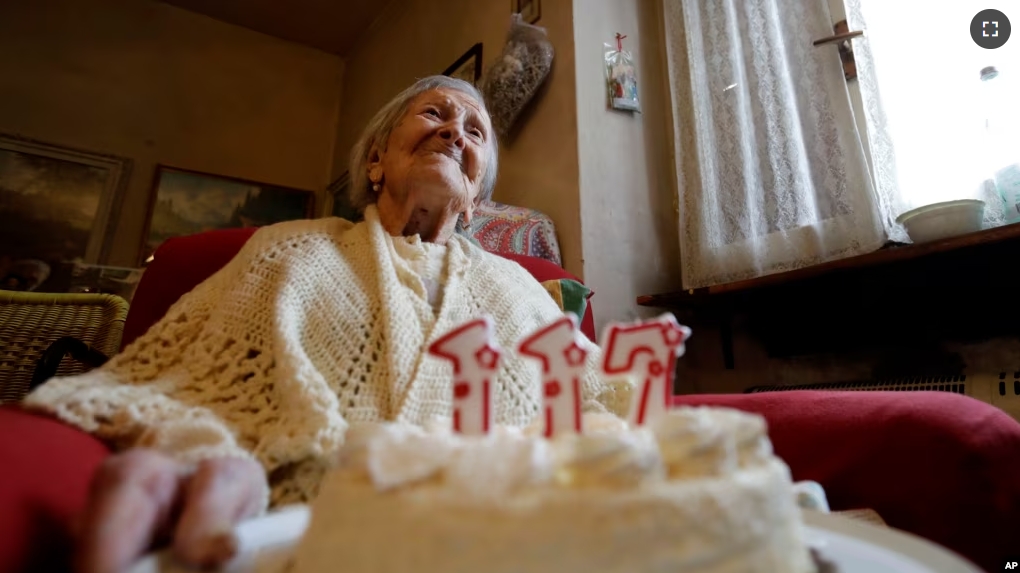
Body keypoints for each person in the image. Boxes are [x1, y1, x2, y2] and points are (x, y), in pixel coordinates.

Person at [21, 76, 622, 573]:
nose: (451, 131)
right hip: (289, 529)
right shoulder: (288, 250)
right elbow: (175, 388)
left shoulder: (520, 287)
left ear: (477, 198)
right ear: (376, 159)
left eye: (474, 131)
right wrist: (209, 455)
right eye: (433, 113)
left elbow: (612, 400)